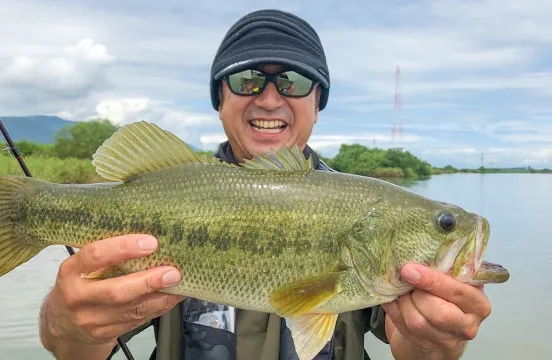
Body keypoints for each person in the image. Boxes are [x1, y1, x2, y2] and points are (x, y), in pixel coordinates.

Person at [38, 9, 494, 360]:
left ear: (318, 102)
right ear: (221, 99)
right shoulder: (167, 190)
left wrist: (433, 344)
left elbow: (410, 346)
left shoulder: (362, 215)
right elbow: (72, 346)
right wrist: (69, 325)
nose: (270, 97)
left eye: (294, 82)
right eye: (247, 79)